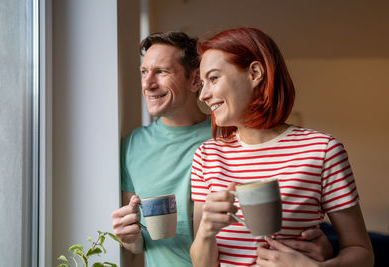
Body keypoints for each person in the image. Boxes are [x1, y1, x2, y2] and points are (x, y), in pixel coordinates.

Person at [112, 31, 334, 267]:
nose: (147, 84)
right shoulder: (133, 145)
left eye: (162, 72)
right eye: (144, 72)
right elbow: (140, 237)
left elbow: (295, 211)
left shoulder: (232, 131)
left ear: (194, 80)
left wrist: (327, 250)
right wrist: (130, 238)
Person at [190, 27, 374, 267]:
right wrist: (205, 232)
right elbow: (201, 263)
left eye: (213, 78)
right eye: (202, 83)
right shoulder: (207, 156)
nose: (203, 94)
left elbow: (362, 252)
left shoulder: (323, 150)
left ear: (255, 73)